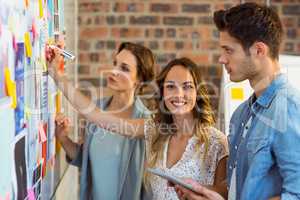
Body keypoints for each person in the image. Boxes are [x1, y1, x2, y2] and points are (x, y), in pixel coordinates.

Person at [48, 55, 228, 200]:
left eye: (187, 87)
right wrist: (57, 75)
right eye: (171, 87)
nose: (179, 94)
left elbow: (228, 193)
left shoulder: (216, 142)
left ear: (197, 93)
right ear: (163, 93)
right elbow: (97, 116)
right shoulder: (155, 131)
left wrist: (197, 191)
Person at [174, 2, 300, 200]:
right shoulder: (240, 114)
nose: (221, 59)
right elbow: (237, 187)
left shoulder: (289, 109)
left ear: (259, 50)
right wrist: (204, 192)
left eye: (229, 50)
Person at [52, 42, 155, 200]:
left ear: (139, 80)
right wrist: (64, 139)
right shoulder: (99, 107)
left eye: (124, 68)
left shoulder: (145, 121)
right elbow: (87, 161)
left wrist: (57, 75)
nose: (114, 71)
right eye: (115, 63)